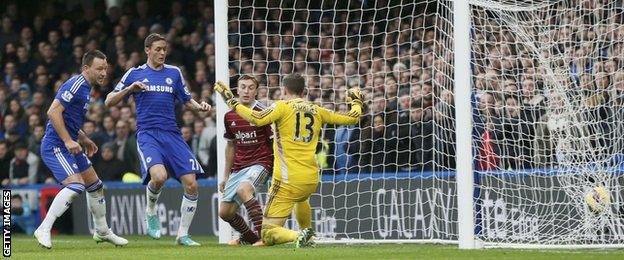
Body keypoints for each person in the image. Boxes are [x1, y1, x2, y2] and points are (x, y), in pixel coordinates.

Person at [214, 73, 363, 248]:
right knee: (301, 199)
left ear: (284, 90)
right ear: (304, 91)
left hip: (287, 180)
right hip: (310, 178)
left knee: (267, 233)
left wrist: (232, 102)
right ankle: (309, 234)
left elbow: (257, 118)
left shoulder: (281, 107)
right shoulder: (317, 110)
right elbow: (352, 118)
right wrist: (356, 103)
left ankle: (300, 235)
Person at [105, 33, 211, 246]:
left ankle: (182, 235)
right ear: (148, 50)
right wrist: (130, 89)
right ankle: (151, 210)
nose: (162, 53)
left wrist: (200, 107)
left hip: (172, 134)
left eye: (164, 49)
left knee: (191, 184)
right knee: (159, 176)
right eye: (158, 49)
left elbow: (186, 99)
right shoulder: (135, 74)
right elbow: (109, 101)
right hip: (148, 134)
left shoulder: (174, 72)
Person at [34, 50, 127, 249]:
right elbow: (53, 111)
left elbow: (69, 118)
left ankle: (102, 231)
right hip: (55, 146)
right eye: (99, 69)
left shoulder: (87, 89)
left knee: (95, 186)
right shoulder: (75, 84)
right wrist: (68, 140)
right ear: (86, 68)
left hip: (71, 145)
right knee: (76, 187)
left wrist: (83, 138)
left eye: (105, 68)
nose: (104, 73)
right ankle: (43, 228)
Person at [218, 75, 272, 246]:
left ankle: (265, 237)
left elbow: (274, 142)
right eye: (243, 87)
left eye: (250, 87)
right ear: (237, 90)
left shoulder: (263, 112)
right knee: (225, 213)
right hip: (239, 167)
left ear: (256, 91)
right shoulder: (229, 116)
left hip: (261, 163)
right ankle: (250, 238)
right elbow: (231, 146)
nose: (246, 91)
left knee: (244, 189)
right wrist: (226, 176)